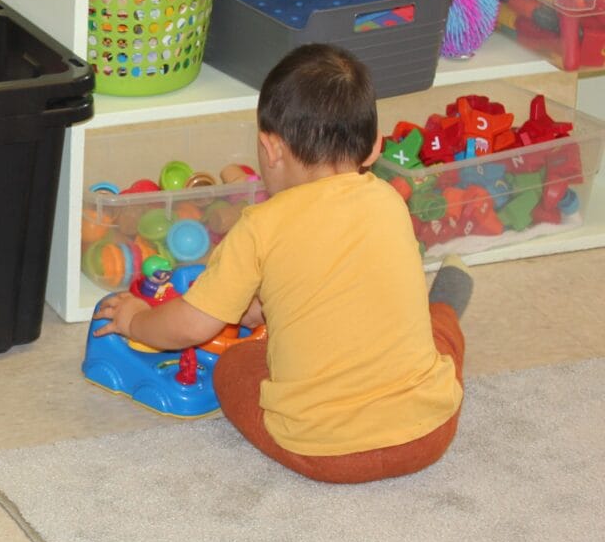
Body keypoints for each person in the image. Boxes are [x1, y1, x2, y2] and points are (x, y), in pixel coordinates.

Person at [93, 44, 470, 483]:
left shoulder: (261, 226)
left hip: (327, 454)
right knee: (435, 337)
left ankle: (436, 315)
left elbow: (192, 327)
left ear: (270, 149)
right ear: (373, 149)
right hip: (430, 434)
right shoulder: (388, 200)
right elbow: (340, 275)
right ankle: (446, 303)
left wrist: (136, 320)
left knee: (236, 367)